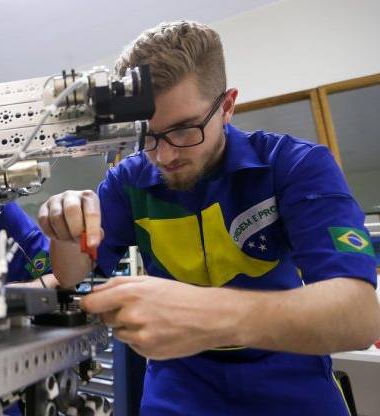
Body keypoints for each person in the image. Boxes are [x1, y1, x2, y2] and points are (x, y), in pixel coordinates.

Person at [38, 20, 380, 415]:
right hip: (180, 385)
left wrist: (207, 313)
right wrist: (64, 230)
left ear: (228, 106)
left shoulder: (294, 165)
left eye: (184, 130)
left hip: (291, 376)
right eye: (147, 135)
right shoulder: (127, 180)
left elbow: (359, 316)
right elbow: (70, 276)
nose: (164, 156)